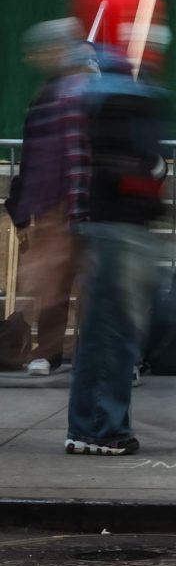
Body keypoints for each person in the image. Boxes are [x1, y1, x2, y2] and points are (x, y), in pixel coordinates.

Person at [65, 36, 170, 455]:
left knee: (100, 334)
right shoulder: (126, 99)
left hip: (104, 225)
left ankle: (87, 426)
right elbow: (139, 168)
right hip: (122, 228)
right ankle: (103, 429)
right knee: (115, 334)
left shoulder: (89, 99)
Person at [7, 20, 90, 377]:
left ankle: (72, 352)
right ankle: (50, 351)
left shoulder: (82, 94)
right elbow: (37, 157)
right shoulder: (50, 95)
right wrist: (23, 206)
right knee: (55, 286)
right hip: (58, 207)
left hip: (81, 205)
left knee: (80, 283)